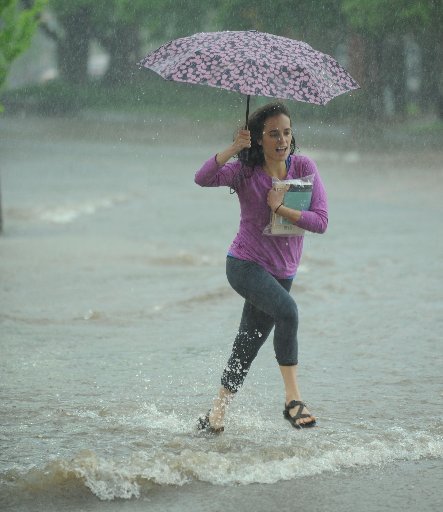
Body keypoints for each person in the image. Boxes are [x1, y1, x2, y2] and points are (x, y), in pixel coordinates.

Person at [194, 102, 328, 432]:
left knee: (247, 344)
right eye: (272, 134)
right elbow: (202, 178)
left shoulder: (304, 167)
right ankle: (293, 400)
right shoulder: (244, 170)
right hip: (245, 265)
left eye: (286, 132)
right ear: (258, 139)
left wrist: (283, 209)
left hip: (283, 272)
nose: (282, 140)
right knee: (289, 312)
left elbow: (321, 221)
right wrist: (233, 148)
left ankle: (215, 416)